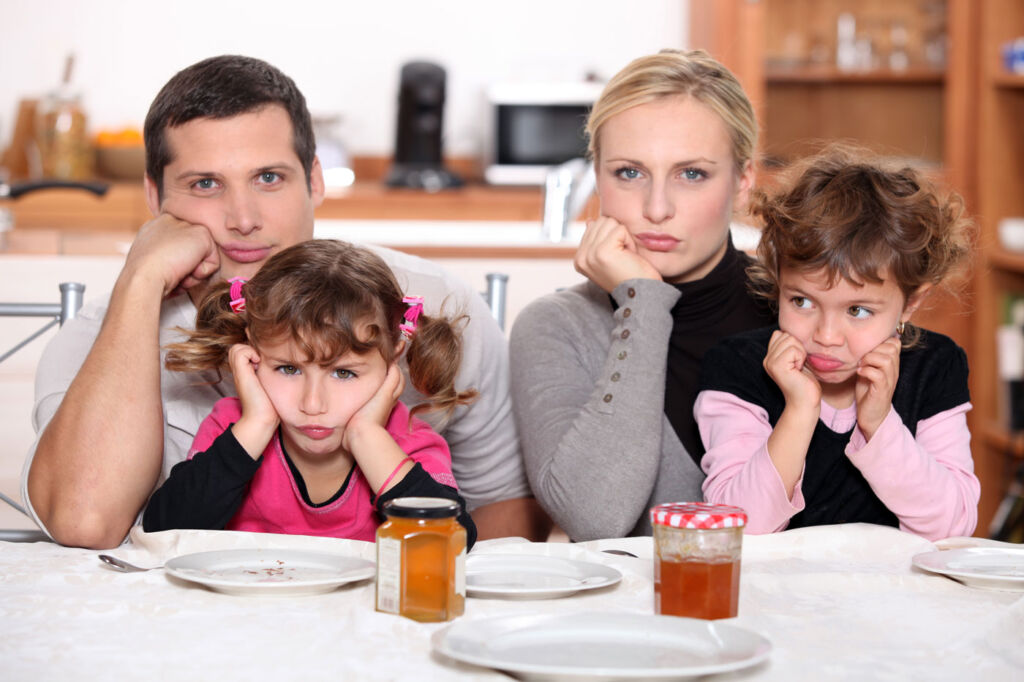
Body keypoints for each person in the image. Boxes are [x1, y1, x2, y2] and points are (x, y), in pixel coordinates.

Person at [24, 55, 547, 549]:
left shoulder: (429, 302)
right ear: (155, 198)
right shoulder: (102, 336)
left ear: (314, 180)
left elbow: (503, 505)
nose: (243, 218)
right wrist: (140, 281)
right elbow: (84, 524)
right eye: (205, 184)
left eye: (269, 178)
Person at [508, 49, 775, 541]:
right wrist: (644, 302)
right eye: (629, 172)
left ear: (743, 181)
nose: (657, 208)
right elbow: (594, 518)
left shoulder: (802, 314)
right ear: (598, 178)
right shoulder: (555, 327)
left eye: (691, 174)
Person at [696, 146, 979, 541]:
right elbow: (734, 530)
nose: (826, 337)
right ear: (778, 283)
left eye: (858, 311)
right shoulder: (737, 367)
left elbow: (952, 526)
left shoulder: (936, 365)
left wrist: (879, 424)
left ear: (910, 303)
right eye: (802, 302)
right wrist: (799, 409)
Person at [142, 240, 477, 547]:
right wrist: (257, 424)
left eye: (344, 373)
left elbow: (451, 544)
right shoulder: (234, 429)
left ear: (392, 361)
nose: (312, 403)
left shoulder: (407, 443)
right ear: (251, 354)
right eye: (288, 369)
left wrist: (367, 436)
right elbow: (163, 531)